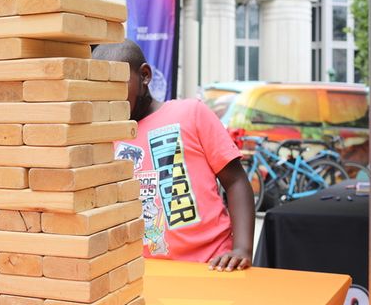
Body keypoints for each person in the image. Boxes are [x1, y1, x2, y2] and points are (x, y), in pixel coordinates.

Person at [92, 40, 255, 272]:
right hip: (147, 270)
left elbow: (236, 181)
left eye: (116, 85)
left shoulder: (191, 113)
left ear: (145, 76)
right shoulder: (105, 136)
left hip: (212, 264)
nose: (108, 97)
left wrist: (242, 249)